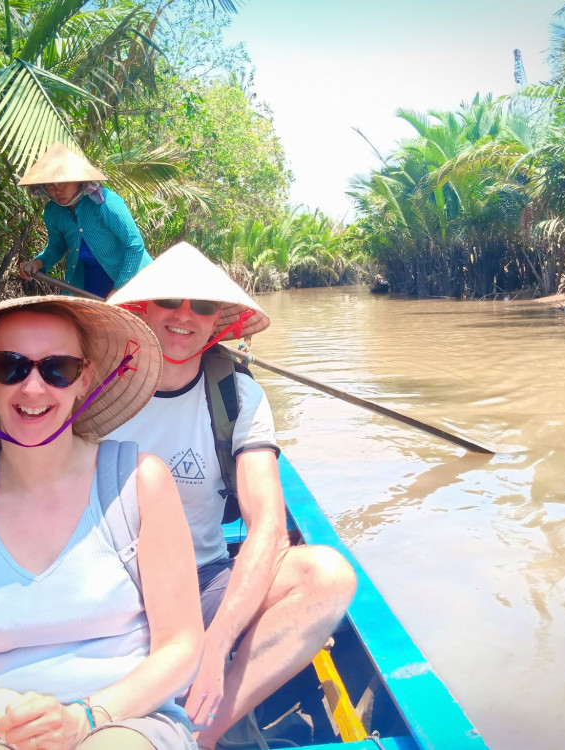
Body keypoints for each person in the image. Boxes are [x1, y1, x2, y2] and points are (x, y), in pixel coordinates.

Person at [0, 294, 203, 750]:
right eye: (10, 366)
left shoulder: (140, 484)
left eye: (58, 369)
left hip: (127, 718)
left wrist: (84, 718)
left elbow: (182, 646)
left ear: (84, 379)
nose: (33, 388)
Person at [106, 243, 357, 750]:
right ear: (144, 309)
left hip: (202, 581)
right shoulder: (98, 386)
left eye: (201, 307)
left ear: (219, 320)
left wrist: (215, 642)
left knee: (327, 576)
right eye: (170, 302)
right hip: (109, 585)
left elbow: (266, 527)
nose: (184, 317)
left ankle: (203, 731)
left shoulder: (236, 395)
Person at [17, 144, 152, 298]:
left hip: (131, 282)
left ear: (79, 180)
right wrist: (39, 263)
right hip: (89, 286)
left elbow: (134, 245)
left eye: (62, 182)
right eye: (50, 185)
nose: (57, 190)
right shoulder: (53, 211)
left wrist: (120, 290)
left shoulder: (104, 203)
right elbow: (57, 245)